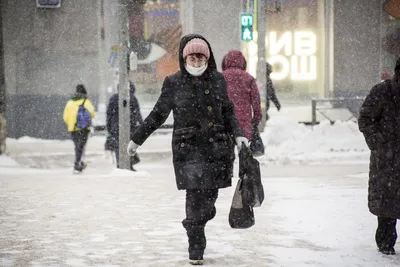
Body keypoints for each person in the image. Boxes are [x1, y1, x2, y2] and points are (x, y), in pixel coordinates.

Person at [126, 34, 248, 265]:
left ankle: (201, 218)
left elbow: (228, 112)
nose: (196, 59)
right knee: (194, 200)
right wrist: (136, 140)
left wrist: (239, 135)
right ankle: (196, 247)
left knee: (209, 199)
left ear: (207, 58)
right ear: (184, 58)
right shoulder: (173, 82)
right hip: (188, 151)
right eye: (192, 55)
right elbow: (158, 115)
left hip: (217, 150)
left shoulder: (218, 80)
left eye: (201, 55)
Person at [358, 57, 400, 255]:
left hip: (387, 157)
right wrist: (379, 142)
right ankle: (385, 242)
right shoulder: (383, 91)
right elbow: (365, 119)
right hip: (387, 158)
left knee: (387, 200)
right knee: (387, 203)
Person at [222, 50, 262, 140]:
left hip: (225, 121)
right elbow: (256, 100)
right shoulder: (249, 78)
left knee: (227, 149)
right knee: (243, 148)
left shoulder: (221, 77)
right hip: (244, 121)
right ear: (243, 62)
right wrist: (257, 117)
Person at [106, 81, 143, 170]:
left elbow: (109, 115)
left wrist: (109, 127)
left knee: (118, 146)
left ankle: (120, 164)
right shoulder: (132, 98)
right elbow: (137, 113)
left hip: (116, 127)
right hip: (130, 126)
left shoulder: (113, 98)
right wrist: (141, 125)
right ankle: (129, 164)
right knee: (129, 145)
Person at [63, 84, 95, 173]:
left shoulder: (70, 102)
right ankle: (78, 164)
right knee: (81, 146)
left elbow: (65, 117)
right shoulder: (86, 101)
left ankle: (79, 163)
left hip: (73, 128)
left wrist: (71, 123)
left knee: (77, 146)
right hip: (84, 128)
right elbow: (92, 113)